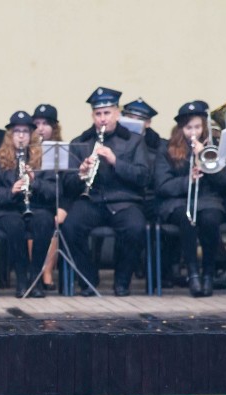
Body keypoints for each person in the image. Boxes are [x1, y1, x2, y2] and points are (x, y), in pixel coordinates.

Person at [62, 87, 150, 296]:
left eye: (107, 113)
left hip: (124, 201)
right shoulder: (80, 142)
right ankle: (88, 279)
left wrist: (115, 161)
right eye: (98, 114)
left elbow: (143, 177)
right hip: (91, 200)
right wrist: (81, 174)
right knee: (71, 227)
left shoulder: (134, 141)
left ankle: (122, 281)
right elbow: (66, 183)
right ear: (92, 116)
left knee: (135, 227)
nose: (103, 119)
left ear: (117, 113)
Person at [154, 101, 226, 297]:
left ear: (203, 126)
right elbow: (162, 185)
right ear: (181, 129)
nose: (193, 132)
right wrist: (187, 181)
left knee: (210, 219)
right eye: (189, 128)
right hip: (178, 203)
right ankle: (193, 274)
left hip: (209, 200)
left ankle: (208, 274)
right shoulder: (167, 150)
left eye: (197, 126)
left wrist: (206, 162)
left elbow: (225, 182)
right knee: (188, 219)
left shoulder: (215, 146)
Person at [0, 111, 56, 298]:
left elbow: (54, 191)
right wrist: (11, 191)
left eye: (26, 131)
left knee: (45, 222)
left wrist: (35, 182)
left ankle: (36, 277)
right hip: (6, 210)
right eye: (17, 132)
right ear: (10, 135)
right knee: (14, 225)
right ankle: (22, 279)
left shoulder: (43, 158)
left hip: (36, 207)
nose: (22, 135)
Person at [32, 103, 66, 290]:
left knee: (51, 220)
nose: (40, 128)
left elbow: (65, 185)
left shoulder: (62, 150)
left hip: (55, 201)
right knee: (37, 220)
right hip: (36, 201)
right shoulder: (28, 150)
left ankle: (47, 271)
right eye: (36, 123)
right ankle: (38, 271)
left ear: (54, 127)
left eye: (45, 123)